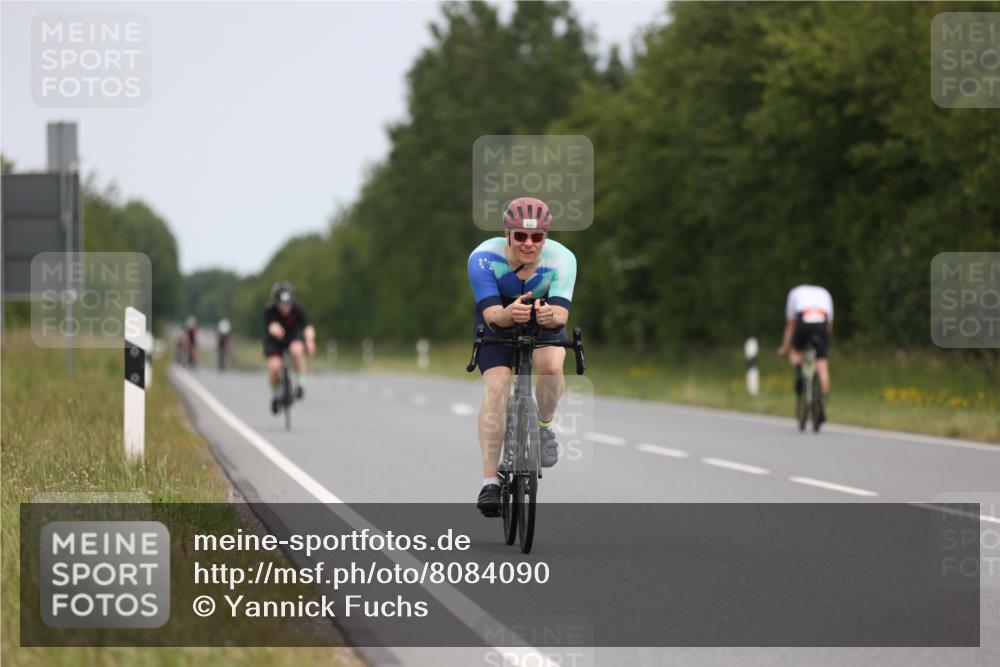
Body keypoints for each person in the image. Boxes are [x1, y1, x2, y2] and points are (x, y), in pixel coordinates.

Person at [466, 197, 577, 517]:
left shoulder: (562, 259)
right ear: (507, 233)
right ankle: (490, 482)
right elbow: (491, 316)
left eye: (537, 237)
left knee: (552, 369)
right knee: (497, 388)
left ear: (546, 236)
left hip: (543, 317)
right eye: (520, 236)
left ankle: (543, 427)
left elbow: (561, 317)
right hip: (498, 316)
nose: (529, 244)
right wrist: (507, 314)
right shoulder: (483, 258)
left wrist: (548, 317)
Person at [777, 284, 833, 424]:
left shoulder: (795, 292)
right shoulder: (824, 293)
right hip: (821, 321)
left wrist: (785, 347)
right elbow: (829, 326)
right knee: (822, 364)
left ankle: (799, 374)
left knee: (795, 350)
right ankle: (822, 401)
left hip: (803, 320)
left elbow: (791, 324)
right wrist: (824, 346)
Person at [264, 283, 316, 413]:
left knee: (296, 350)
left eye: (287, 304)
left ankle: (301, 384)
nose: (285, 307)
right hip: (275, 341)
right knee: (274, 367)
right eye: (282, 304)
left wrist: (309, 340)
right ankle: (275, 395)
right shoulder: (270, 311)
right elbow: (271, 326)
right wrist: (276, 330)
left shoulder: (297, 309)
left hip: (294, 337)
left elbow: (307, 326)